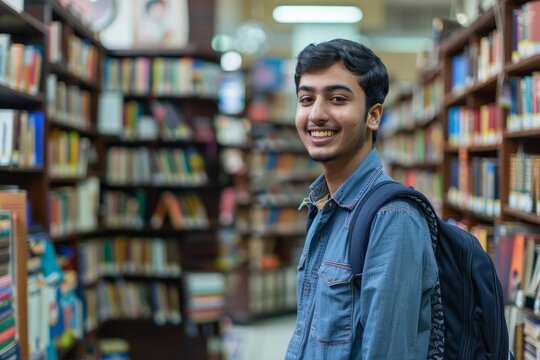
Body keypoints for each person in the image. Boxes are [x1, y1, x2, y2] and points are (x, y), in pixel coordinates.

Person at [285, 38, 438, 359]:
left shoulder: (393, 219)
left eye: (337, 99)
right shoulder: (324, 206)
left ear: (373, 115)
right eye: (306, 99)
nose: (317, 114)